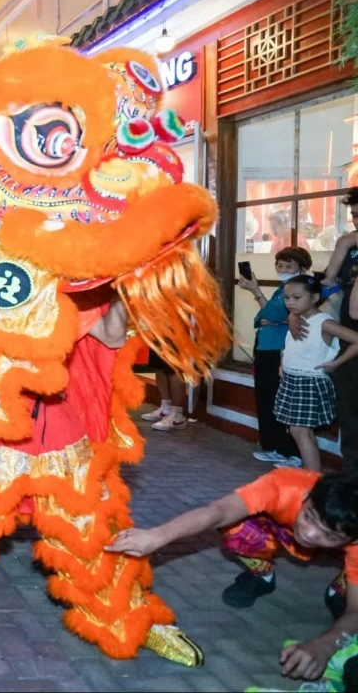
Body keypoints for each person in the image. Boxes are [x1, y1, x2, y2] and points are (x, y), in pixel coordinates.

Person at [108, 469, 358, 683]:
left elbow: (356, 610)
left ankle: (341, 587)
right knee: (236, 528)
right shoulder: (285, 484)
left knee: (346, 609)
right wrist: (157, 536)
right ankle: (261, 575)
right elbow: (217, 511)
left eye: (329, 534)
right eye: (309, 517)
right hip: (283, 529)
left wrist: (325, 645)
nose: (310, 534)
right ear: (306, 496)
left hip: (343, 555)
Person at [274, 275, 358, 472]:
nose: (290, 302)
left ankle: (311, 478)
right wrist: (283, 363)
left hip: (308, 382)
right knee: (301, 431)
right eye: (287, 298)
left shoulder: (324, 322)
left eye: (297, 297)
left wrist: (336, 363)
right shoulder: (297, 319)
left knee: (299, 431)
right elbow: (292, 345)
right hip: (293, 379)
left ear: (314, 298)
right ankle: (311, 474)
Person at [239, 246, 312, 468]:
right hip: (265, 346)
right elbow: (262, 318)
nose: (283, 270)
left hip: (279, 349)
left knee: (279, 401)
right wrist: (273, 318)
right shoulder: (283, 288)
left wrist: (256, 291)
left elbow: (273, 313)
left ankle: (291, 452)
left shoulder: (301, 290)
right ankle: (275, 448)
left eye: (289, 266)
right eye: (280, 265)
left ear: (302, 268)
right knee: (266, 399)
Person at [321, 188, 358, 473]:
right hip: (349, 335)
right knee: (350, 412)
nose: (357, 221)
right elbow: (327, 282)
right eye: (355, 216)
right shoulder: (347, 243)